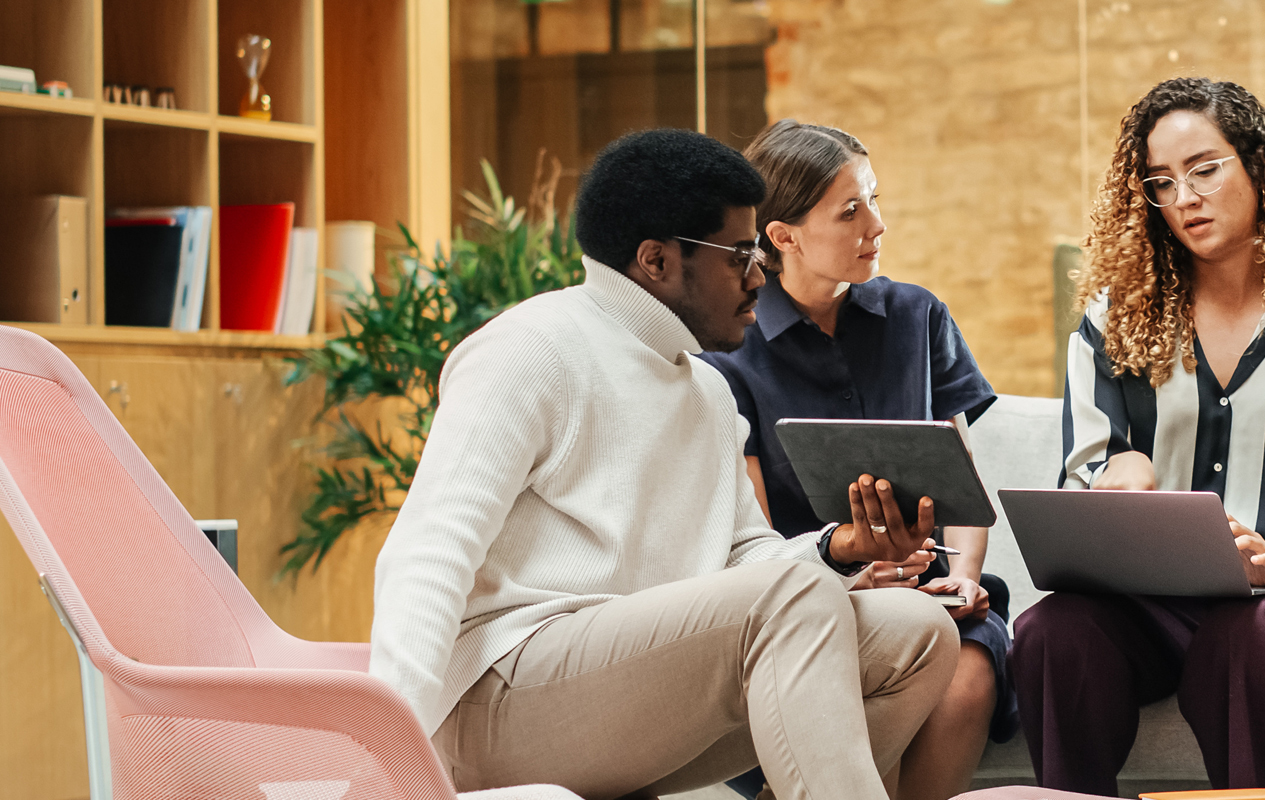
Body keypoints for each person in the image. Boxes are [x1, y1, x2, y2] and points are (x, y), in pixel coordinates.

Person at [368, 128, 958, 800]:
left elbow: (749, 563)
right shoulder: (529, 350)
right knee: (792, 600)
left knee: (918, 635)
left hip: (625, 692)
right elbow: (427, 555)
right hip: (492, 709)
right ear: (655, 261)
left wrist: (837, 548)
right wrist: (392, 760)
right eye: (740, 255)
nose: (759, 276)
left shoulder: (706, 389)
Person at [1011, 76, 1265, 794]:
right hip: (1142, 608)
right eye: (1160, 182)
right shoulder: (1110, 319)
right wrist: (1111, 480)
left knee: (1241, 638)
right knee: (1048, 632)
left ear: (1259, 167)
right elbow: (1083, 468)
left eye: (1204, 170)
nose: (1183, 198)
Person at [698, 119, 1012, 800]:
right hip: (806, 601)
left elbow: (961, 487)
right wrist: (848, 580)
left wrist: (962, 575)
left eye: (874, 198)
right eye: (850, 210)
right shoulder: (729, 352)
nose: (877, 223)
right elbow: (748, 533)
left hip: (933, 587)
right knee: (868, 684)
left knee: (971, 672)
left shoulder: (918, 316)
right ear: (782, 237)